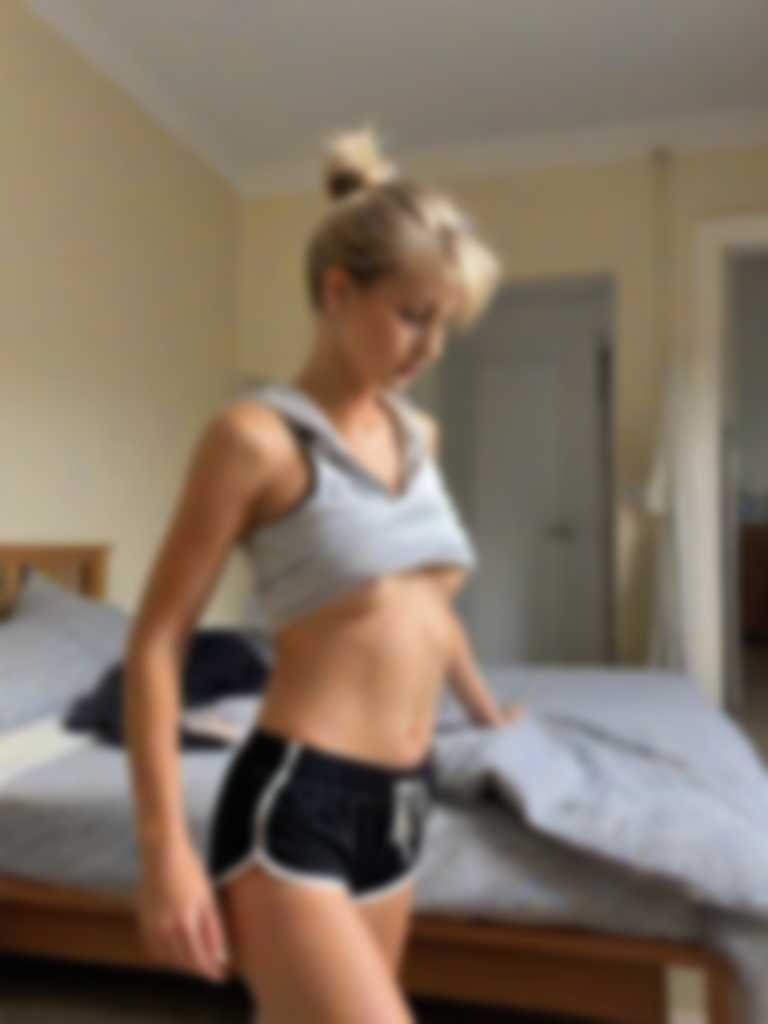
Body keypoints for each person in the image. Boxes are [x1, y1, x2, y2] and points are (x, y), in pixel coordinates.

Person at [124, 122, 524, 1024]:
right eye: (413, 315)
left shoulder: (420, 437)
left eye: (444, 323)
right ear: (339, 291)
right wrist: (161, 849)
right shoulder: (254, 439)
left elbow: (425, 610)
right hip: (300, 800)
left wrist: (485, 710)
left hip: (406, 800)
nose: (430, 346)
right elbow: (155, 641)